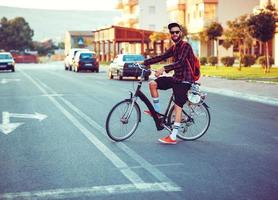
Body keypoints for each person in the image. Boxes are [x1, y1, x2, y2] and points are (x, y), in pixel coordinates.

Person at [142, 22, 196, 145]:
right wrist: (145, 62)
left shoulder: (186, 46)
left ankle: (173, 137)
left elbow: (181, 63)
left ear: (181, 32)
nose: (175, 34)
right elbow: (162, 56)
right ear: (170, 34)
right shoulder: (174, 47)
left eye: (177, 32)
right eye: (172, 32)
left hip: (185, 80)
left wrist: (164, 69)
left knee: (178, 105)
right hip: (176, 78)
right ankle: (157, 113)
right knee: (153, 84)